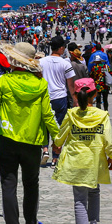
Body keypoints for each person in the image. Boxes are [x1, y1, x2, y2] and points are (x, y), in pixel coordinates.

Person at [0, 42, 60, 224]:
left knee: (8, 184)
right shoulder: (40, 84)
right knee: (31, 183)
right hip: (33, 141)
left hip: (8, 139)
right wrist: (58, 138)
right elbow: (47, 115)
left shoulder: (3, 81)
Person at [52, 78, 112, 224]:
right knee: (94, 191)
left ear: (76, 95)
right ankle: (93, 223)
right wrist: (111, 156)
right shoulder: (102, 115)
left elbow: (60, 136)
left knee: (80, 199)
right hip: (95, 161)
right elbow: (108, 142)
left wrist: (56, 146)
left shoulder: (71, 114)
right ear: (94, 94)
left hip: (76, 161)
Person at [39, 36, 77, 166]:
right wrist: (75, 100)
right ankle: (56, 156)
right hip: (60, 97)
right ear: (61, 48)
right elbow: (70, 85)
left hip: (45, 97)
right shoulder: (65, 63)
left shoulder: (41, 62)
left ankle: (45, 150)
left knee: (44, 125)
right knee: (58, 127)